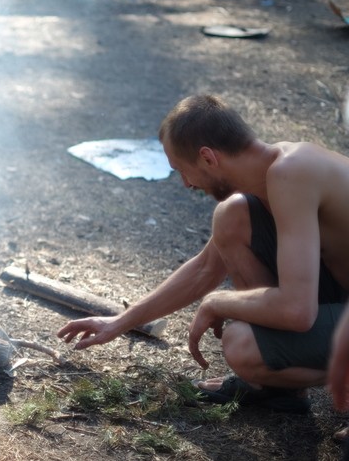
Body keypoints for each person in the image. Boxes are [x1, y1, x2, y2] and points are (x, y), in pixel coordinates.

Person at [57, 94, 349, 413]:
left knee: (241, 345)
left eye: (183, 170)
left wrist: (216, 302)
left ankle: (284, 372)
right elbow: (205, 269)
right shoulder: (272, 172)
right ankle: (275, 387)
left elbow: (297, 310)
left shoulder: (291, 173)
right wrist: (119, 322)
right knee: (232, 216)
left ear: (208, 158)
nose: (186, 184)